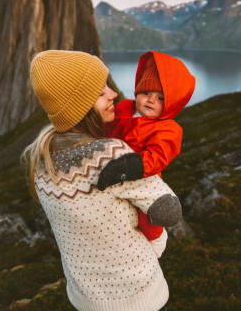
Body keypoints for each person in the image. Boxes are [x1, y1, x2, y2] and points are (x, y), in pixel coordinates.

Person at [21, 49, 182, 311]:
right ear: (79, 105)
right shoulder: (110, 154)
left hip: (85, 299)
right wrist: (157, 243)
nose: (113, 94)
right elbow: (170, 211)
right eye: (99, 92)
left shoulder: (41, 160)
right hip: (138, 298)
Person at [105, 51, 195, 258]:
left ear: (171, 103)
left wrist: (132, 166)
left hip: (144, 176)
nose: (151, 100)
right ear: (137, 92)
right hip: (113, 168)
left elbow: (158, 158)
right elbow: (107, 128)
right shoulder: (124, 107)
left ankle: (155, 242)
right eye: (146, 92)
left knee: (147, 214)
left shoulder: (168, 130)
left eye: (160, 97)